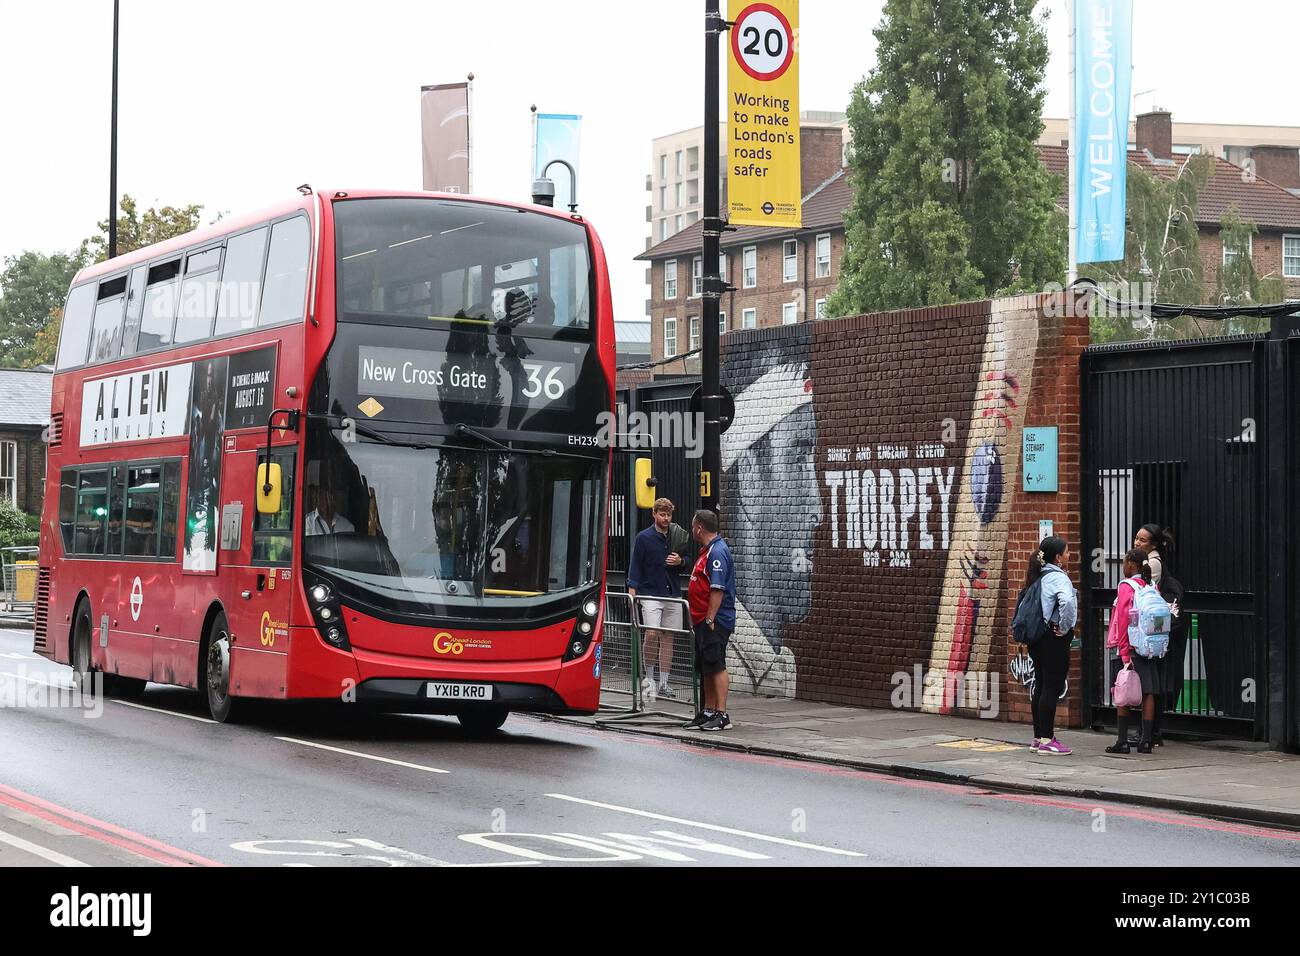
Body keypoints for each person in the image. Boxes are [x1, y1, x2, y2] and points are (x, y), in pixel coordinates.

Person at [626, 498, 691, 700]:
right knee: (652, 634)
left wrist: (681, 561)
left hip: (672, 592)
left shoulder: (677, 534)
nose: (665, 518)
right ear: (654, 514)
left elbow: (689, 560)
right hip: (650, 592)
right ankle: (649, 679)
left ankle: (664, 683)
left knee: (668, 637)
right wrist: (632, 590)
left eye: (668, 515)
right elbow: (635, 564)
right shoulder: (643, 538)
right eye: (662, 514)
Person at [1105, 548, 1164, 755]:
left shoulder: (1126, 586)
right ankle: (1146, 741)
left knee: (1123, 690)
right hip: (1148, 647)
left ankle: (1122, 741)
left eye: (1124, 562)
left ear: (1131, 564)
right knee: (1148, 692)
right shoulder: (1151, 585)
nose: (1123, 566)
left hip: (1129, 645)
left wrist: (1123, 652)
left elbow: (1122, 620)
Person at [1023, 536, 1078, 755]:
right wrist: (1064, 627)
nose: (1069, 555)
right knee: (1051, 687)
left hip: (1036, 637)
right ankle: (1047, 740)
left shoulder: (1038, 576)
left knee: (1041, 683)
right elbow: (1067, 603)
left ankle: (1038, 737)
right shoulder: (1059, 578)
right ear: (1058, 557)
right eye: (1066, 552)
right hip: (1053, 638)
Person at [684, 509, 737, 731]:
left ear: (699, 528)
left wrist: (710, 618)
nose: (692, 530)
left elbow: (717, 589)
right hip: (702, 620)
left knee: (716, 665)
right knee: (706, 666)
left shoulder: (717, 552)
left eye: (693, 526)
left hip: (714, 621)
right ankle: (708, 711)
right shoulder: (707, 550)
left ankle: (722, 714)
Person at [1134, 523, 1179, 745]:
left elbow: (1139, 590)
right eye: (1136, 538)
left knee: (1150, 682)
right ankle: (1151, 730)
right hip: (1154, 628)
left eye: (1142, 540)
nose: (1137, 542)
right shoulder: (1148, 560)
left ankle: (1150, 731)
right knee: (1152, 679)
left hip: (1150, 631)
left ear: (1153, 544)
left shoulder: (1152, 563)